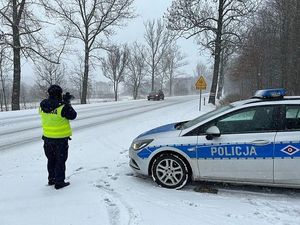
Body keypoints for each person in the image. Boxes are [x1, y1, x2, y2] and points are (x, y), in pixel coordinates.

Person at [39, 85, 77, 189]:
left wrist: (63, 102)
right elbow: (73, 115)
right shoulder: (63, 107)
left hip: (47, 139)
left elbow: (51, 109)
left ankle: (52, 179)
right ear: (60, 93)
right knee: (60, 161)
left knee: (51, 160)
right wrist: (67, 103)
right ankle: (59, 182)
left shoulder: (42, 106)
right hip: (60, 140)